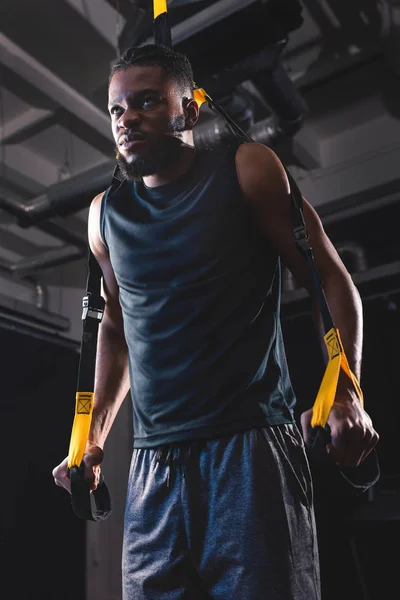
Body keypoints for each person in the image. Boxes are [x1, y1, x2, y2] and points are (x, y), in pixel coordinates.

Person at [52, 44, 379, 600]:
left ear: (191, 110)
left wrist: (346, 388)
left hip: (251, 450)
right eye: (117, 110)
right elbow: (115, 327)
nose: (128, 119)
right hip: (153, 465)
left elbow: (328, 275)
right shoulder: (104, 215)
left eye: (148, 102)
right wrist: (96, 435)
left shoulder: (247, 168)